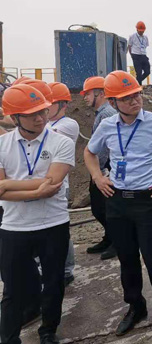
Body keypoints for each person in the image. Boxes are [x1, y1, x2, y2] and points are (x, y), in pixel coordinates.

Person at [84, 71, 152, 336]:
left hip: (147, 200)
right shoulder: (107, 126)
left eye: (136, 94)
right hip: (117, 200)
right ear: (113, 102)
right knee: (127, 257)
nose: (134, 100)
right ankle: (136, 307)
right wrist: (98, 177)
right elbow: (89, 152)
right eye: (126, 98)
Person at [0, 84, 74, 344]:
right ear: (14, 117)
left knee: (53, 282)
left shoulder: (61, 142)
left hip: (52, 224)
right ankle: (9, 338)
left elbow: (53, 183)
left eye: (42, 111)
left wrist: (8, 185)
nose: (40, 118)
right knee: (12, 289)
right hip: (14, 227)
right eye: (31, 114)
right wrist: (35, 191)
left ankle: (48, 331)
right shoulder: (2, 145)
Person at [47, 82, 80, 287]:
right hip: (46, 182)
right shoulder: (47, 124)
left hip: (59, 185)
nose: (45, 108)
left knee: (60, 228)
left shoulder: (68, 124)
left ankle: (66, 270)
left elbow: (46, 140)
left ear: (62, 105)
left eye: (49, 103)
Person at [81, 76, 118, 260]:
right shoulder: (101, 114)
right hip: (101, 166)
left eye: (88, 93)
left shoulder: (107, 114)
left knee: (105, 208)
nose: (85, 98)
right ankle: (110, 238)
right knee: (100, 207)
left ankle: (117, 241)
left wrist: (101, 170)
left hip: (106, 167)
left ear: (100, 93)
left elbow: (106, 147)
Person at [128, 21, 151, 86]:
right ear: (137, 29)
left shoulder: (145, 38)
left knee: (147, 71)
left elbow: (146, 46)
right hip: (136, 55)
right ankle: (139, 86)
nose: (141, 32)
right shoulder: (132, 36)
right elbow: (129, 46)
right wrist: (132, 55)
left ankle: (136, 82)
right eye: (140, 30)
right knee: (139, 72)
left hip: (143, 55)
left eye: (142, 31)